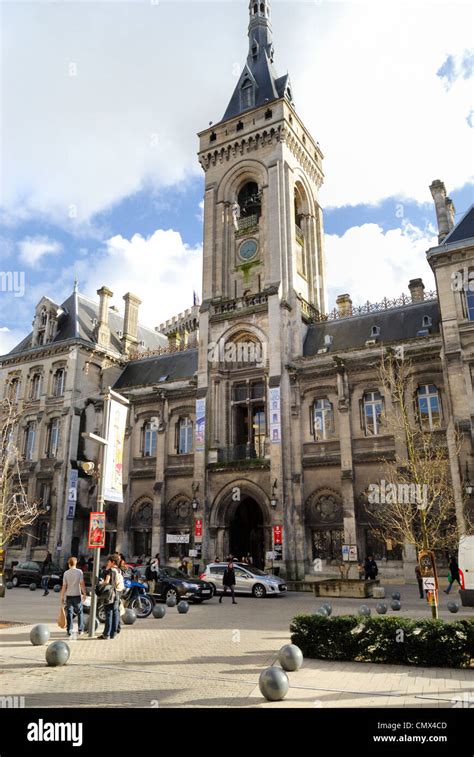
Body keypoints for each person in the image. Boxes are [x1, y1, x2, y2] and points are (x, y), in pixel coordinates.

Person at [60, 556, 86, 637]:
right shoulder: (79, 572)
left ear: (69, 564)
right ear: (76, 563)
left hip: (69, 595)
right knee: (80, 612)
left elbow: (64, 586)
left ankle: (69, 630)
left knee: (69, 613)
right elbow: (82, 584)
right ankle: (80, 630)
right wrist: (84, 593)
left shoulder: (66, 573)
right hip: (77, 595)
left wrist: (62, 596)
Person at [98, 555, 120, 640]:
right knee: (115, 613)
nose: (107, 563)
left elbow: (107, 581)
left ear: (112, 562)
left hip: (109, 594)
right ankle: (113, 633)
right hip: (117, 593)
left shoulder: (110, 571)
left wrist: (101, 583)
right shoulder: (119, 570)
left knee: (109, 614)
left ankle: (106, 634)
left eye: (109, 561)